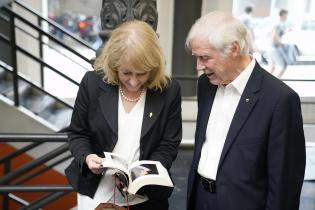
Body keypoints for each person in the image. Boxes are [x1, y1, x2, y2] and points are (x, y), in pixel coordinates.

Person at [185, 11, 305, 210]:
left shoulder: (280, 100)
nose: (199, 67)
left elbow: (285, 187)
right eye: (196, 57)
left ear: (234, 48)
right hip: (200, 199)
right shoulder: (206, 85)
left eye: (205, 57)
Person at [65, 20, 182, 210]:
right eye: (126, 73)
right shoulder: (92, 83)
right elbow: (78, 134)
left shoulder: (169, 91)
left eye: (142, 74)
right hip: (96, 193)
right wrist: (87, 157)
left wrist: (142, 177)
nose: (134, 82)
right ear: (114, 64)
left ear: (154, 67)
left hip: (145, 196)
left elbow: (168, 144)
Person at [270, 9, 299, 78]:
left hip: (274, 47)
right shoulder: (278, 25)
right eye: (286, 15)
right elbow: (274, 36)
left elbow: (277, 35)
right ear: (282, 15)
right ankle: (276, 82)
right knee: (283, 66)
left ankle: (266, 82)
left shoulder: (280, 24)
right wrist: (282, 43)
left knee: (273, 66)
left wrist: (287, 31)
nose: (287, 17)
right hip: (276, 47)